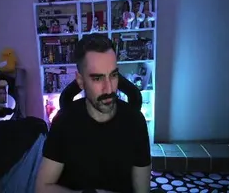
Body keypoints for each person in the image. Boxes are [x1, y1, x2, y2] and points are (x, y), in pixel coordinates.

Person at [35, 34, 151, 193]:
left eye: (113, 75)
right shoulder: (64, 122)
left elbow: (142, 190)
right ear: (80, 81)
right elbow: (42, 188)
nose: (109, 89)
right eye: (97, 78)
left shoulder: (135, 121)